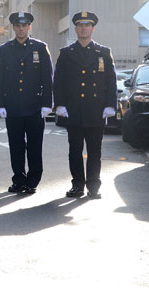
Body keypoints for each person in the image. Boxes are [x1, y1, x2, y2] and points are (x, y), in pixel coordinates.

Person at [54, 11, 117, 199]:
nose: (84, 28)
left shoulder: (103, 52)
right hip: (73, 110)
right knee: (74, 150)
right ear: (75, 28)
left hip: (96, 110)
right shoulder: (66, 53)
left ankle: (93, 186)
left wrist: (110, 105)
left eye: (87, 25)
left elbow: (111, 80)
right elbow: (58, 81)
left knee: (94, 151)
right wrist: (60, 105)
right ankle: (77, 185)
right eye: (80, 25)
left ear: (93, 28)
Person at [0, 12, 53, 194]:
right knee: (16, 146)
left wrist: (47, 104)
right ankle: (18, 179)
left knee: (35, 146)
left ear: (29, 27)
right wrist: (0, 104)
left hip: (35, 106)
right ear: (13, 27)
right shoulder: (5, 49)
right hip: (12, 107)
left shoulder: (40, 47)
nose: (21, 28)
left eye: (24, 25)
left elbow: (47, 78)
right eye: (17, 25)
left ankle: (33, 180)